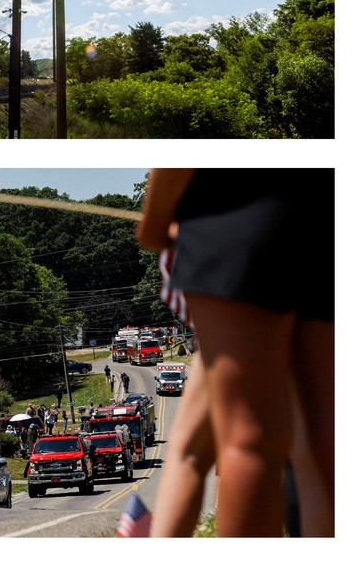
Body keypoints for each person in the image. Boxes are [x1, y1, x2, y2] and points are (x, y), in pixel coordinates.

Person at [137, 168, 334, 537]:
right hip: (328, 207)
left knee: (249, 441)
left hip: (233, 216)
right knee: (324, 446)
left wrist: (155, 223)